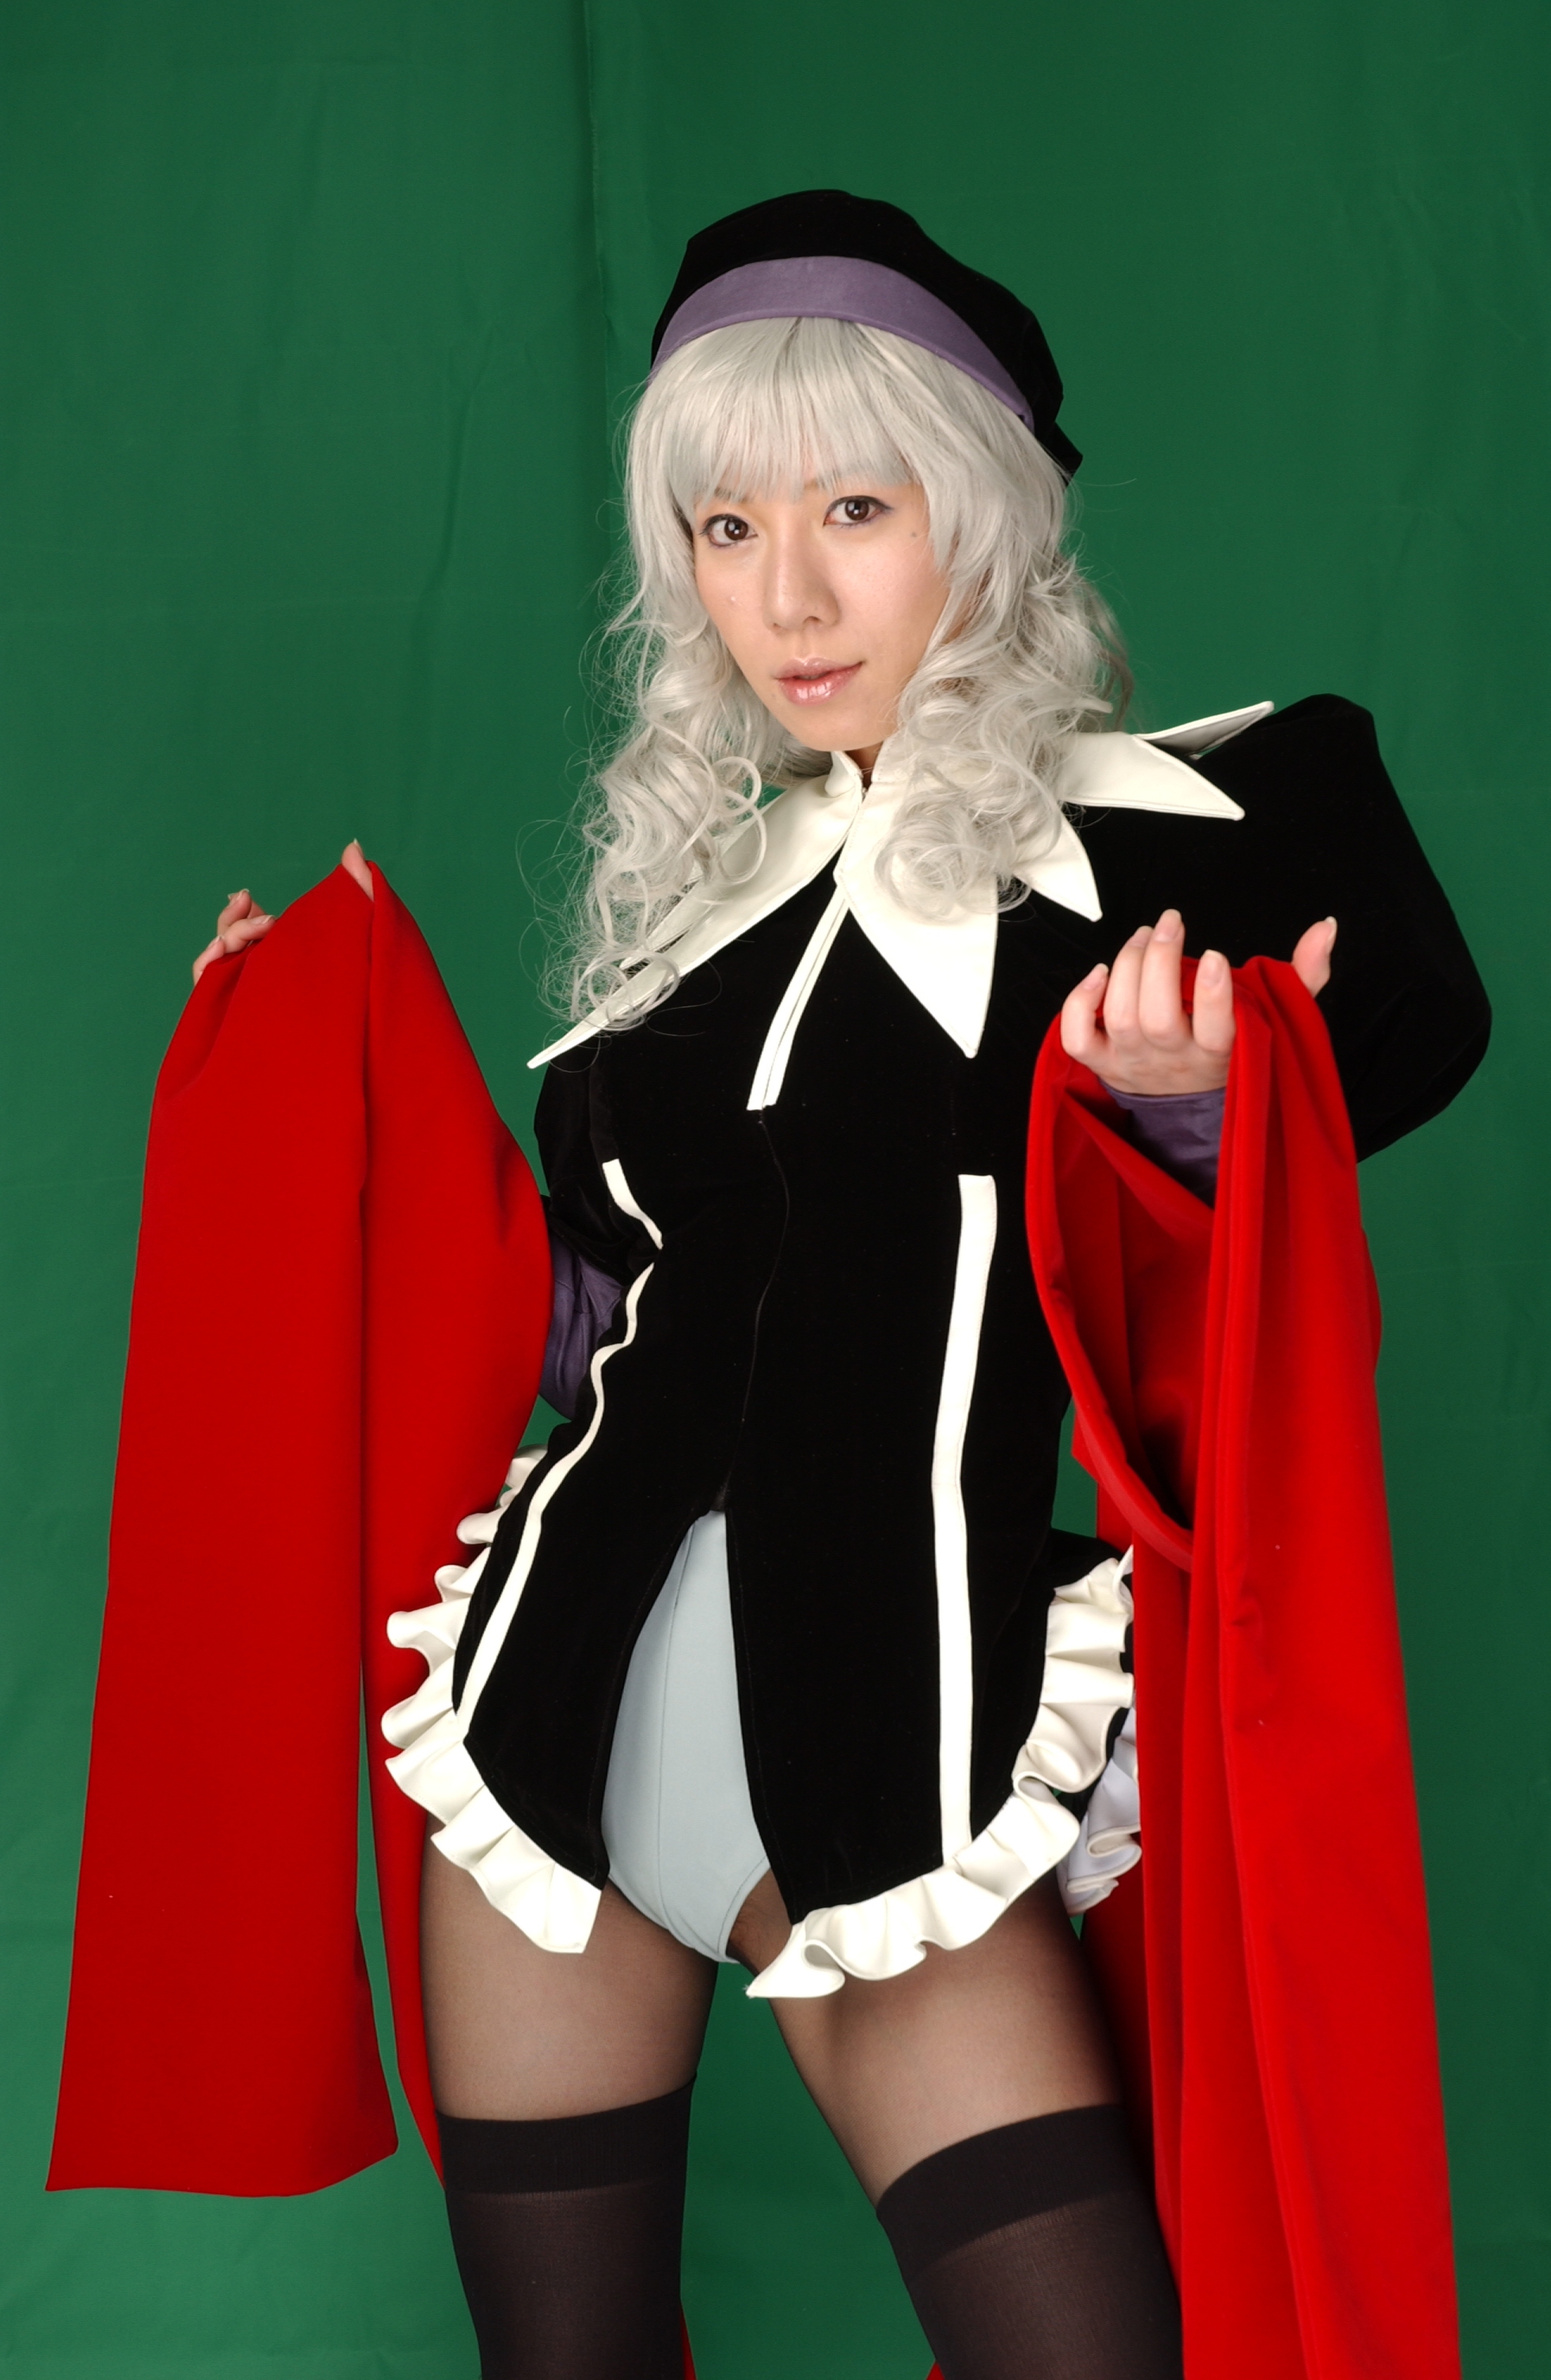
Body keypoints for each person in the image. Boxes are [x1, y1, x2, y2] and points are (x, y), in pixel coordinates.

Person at [192, 192, 1488, 2380]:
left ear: (982, 509)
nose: (783, 596)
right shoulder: (692, 926)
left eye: (854, 511)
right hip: (550, 1733)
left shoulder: (1199, 830)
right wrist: (315, 1130)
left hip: (901, 1754)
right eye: (725, 528)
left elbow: (1403, 1046)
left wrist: (1200, 1112)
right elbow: (587, 1339)